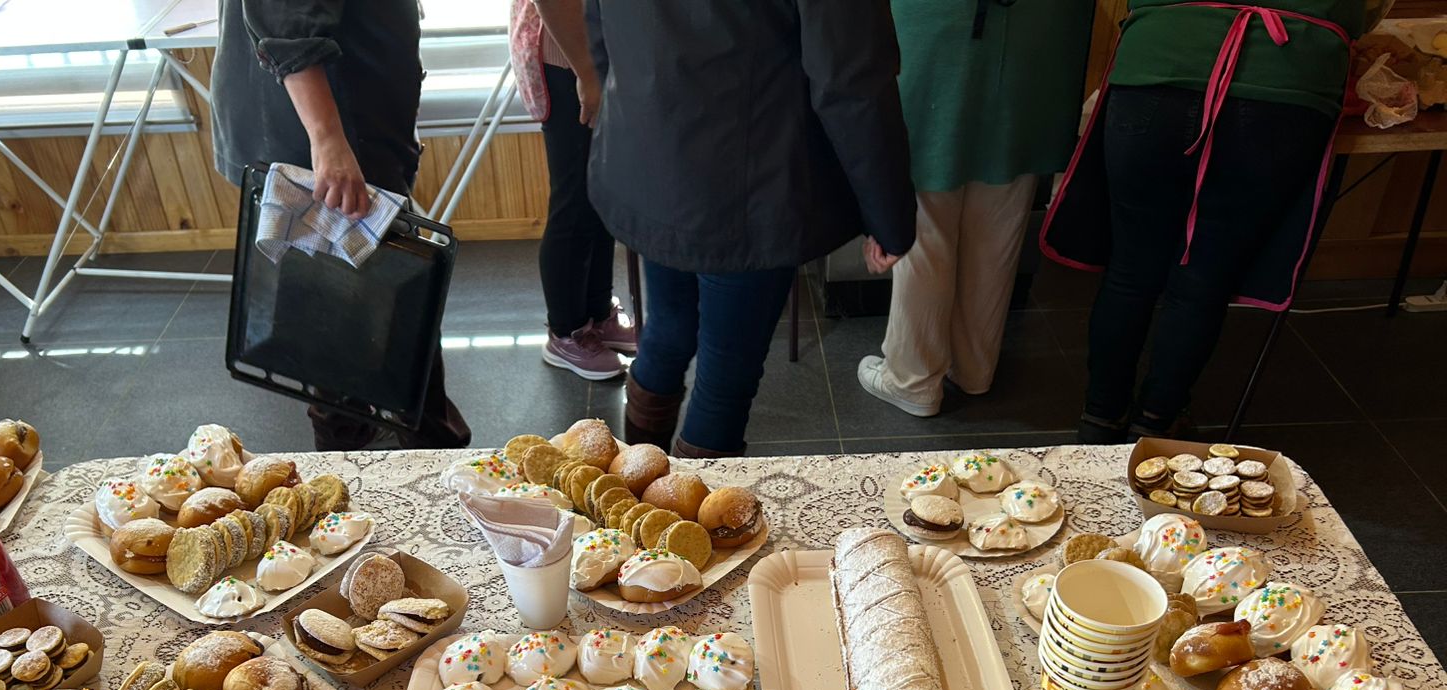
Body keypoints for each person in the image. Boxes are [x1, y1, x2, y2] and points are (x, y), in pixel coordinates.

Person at [586, 0, 918, 456]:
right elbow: (852, 78)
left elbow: (601, 27)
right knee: (723, 377)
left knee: (666, 331)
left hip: (655, 158)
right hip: (749, 187)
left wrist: (632, 120)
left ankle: (634, 484)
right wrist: (889, 215)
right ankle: (673, 501)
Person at [1041, 0, 1368, 444]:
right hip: (1282, 82)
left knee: (1130, 270)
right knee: (1204, 278)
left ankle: (1100, 417)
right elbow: (1360, 13)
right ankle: (1156, 422)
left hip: (1161, 62)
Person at [212, 0, 472, 452]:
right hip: (323, 132)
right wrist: (328, 140)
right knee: (380, 316)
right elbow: (286, 22)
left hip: (340, 121)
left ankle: (370, 442)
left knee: (348, 317)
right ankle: (403, 454)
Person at [857, 0, 1094, 419]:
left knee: (925, 218)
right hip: (1040, 37)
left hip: (939, 32)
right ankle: (974, 367)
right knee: (1000, 214)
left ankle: (913, 380)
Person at [509, 0, 635, 382]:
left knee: (599, 194)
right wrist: (588, 74)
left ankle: (597, 314)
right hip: (568, 59)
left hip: (589, 55)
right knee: (575, 199)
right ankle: (565, 332)